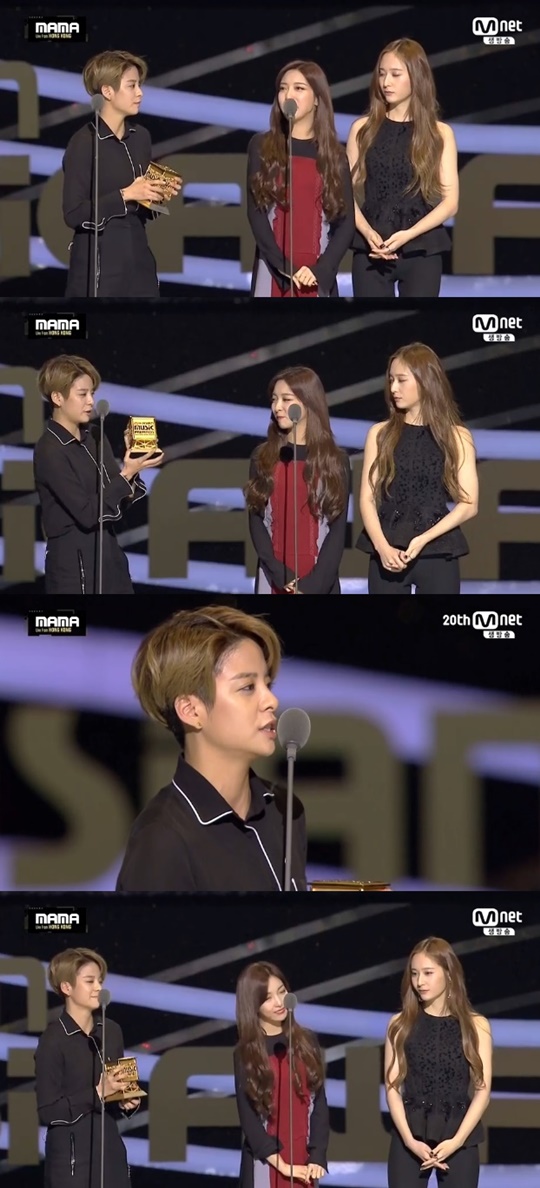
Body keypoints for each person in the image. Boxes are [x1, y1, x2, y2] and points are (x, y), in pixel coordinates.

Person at [116, 606, 307, 891]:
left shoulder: (286, 810)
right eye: (247, 687)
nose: (271, 701)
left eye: (268, 684)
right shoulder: (162, 837)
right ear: (191, 710)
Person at [33, 355, 164, 594]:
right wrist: (126, 474)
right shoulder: (49, 450)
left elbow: (116, 500)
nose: (91, 401)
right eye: (82, 394)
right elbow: (86, 513)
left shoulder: (95, 436)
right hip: (75, 570)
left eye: (92, 393)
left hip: (110, 559)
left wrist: (133, 467)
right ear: (57, 397)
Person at [356, 343, 478, 594]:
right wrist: (382, 547)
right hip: (387, 550)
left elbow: (469, 504)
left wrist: (424, 538)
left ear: (425, 382)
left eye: (401, 380)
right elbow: (367, 498)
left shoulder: (457, 436)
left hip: (438, 551)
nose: (393, 388)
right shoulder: (380, 434)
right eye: (391, 380)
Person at [62, 50, 182, 297]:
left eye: (139, 85)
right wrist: (125, 194)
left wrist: (156, 194)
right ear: (107, 91)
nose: (140, 93)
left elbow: (142, 210)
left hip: (139, 263)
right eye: (131, 86)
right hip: (101, 270)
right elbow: (74, 213)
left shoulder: (141, 137)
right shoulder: (84, 142)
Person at [346, 39, 458, 297]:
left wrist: (408, 234)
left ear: (416, 77)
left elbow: (450, 203)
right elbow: (344, 192)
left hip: (421, 250)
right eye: (382, 74)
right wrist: (366, 231)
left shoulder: (439, 133)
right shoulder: (362, 129)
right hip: (371, 248)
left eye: (395, 75)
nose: (386, 82)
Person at [385, 936, 492, 1187]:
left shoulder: (476, 1025)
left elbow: (482, 1090)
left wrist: (457, 1141)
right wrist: (410, 1141)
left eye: (428, 973)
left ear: (449, 973)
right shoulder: (399, 1024)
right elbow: (392, 1087)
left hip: (459, 1134)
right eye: (414, 974)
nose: (419, 982)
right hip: (410, 1135)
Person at [34, 947, 140, 1188]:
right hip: (72, 1163)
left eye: (100, 981)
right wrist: (97, 1093)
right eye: (90, 981)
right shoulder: (53, 1039)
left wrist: (126, 1101)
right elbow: (48, 1111)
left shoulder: (111, 1031)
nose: (98, 987)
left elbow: (115, 1095)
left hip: (110, 1155)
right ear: (66, 987)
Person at [247, 61, 355, 297]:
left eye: (299, 88)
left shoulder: (334, 155)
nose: (288, 95)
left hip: (316, 271)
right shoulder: (261, 146)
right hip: (274, 268)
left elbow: (346, 223)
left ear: (317, 98)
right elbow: (256, 214)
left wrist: (321, 270)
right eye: (283, 88)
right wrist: (284, 267)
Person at [244, 367, 351, 593]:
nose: (277, 407)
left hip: (319, 580)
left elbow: (337, 530)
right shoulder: (263, 457)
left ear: (308, 401)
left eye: (286, 399)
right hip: (274, 577)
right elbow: (256, 521)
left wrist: (313, 585)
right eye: (274, 400)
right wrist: (281, 575)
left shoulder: (335, 460)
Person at [234, 962, 329, 1188]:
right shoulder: (245, 1053)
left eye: (282, 992)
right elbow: (249, 1120)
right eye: (268, 998)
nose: (279, 1002)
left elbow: (319, 1103)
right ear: (253, 1004)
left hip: (304, 1163)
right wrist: (284, 1166)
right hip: (266, 1165)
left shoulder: (307, 1041)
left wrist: (317, 1155)